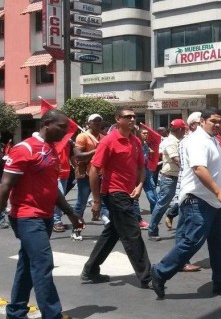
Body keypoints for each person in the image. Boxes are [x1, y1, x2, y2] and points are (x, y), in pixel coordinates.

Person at [151, 108, 221, 299]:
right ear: (202, 121)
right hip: (198, 199)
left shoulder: (212, 139)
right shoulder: (197, 140)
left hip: (212, 202)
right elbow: (199, 169)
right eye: (213, 121)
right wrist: (219, 192)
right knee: (191, 241)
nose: (218, 124)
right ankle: (160, 272)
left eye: (220, 121)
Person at [0, 109, 85, 319]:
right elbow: (5, 185)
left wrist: (71, 214)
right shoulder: (24, 149)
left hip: (45, 217)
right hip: (27, 217)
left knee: (28, 263)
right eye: (62, 128)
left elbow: (52, 188)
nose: (67, 133)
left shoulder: (51, 150)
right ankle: (52, 314)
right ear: (46, 124)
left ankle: (16, 311)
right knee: (43, 264)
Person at [81, 106, 152, 288]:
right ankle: (148, 276)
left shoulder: (135, 141)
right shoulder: (108, 141)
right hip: (113, 192)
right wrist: (96, 200)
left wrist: (139, 185)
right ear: (117, 119)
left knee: (112, 232)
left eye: (134, 116)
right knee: (131, 232)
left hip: (129, 193)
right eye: (127, 116)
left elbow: (141, 168)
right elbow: (94, 170)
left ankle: (90, 270)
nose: (132, 119)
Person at [148, 119, 186, 241]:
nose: (185, 131)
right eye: (184, 129)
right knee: (162, 204)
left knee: (184, 201)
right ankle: (152, 231)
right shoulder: (171, 142)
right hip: (170, 178)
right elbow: (176, 159)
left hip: (178, 176)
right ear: (180, 130)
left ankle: (173, 218)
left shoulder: (178, 141)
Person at [72, 114, 107, 240]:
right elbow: (78, 155)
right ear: (89, 123)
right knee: (81, 203)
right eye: (95, 121)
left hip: (101, 173)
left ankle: (108, 228)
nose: (98, 123)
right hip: (86, 174)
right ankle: (76, 229)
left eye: (100, 120)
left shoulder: (103, 137)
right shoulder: (82, 136)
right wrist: (95, 150)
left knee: (105, 202)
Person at [139, 129, 158, 213]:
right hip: (138, 171)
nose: (146, 135)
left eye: (147, 133)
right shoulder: (136, 144)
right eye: (144, 133)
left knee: (151, 188)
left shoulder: (145, 144)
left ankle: (154, 211)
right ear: (139, 134)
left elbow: (150, 151)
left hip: (146, 170)